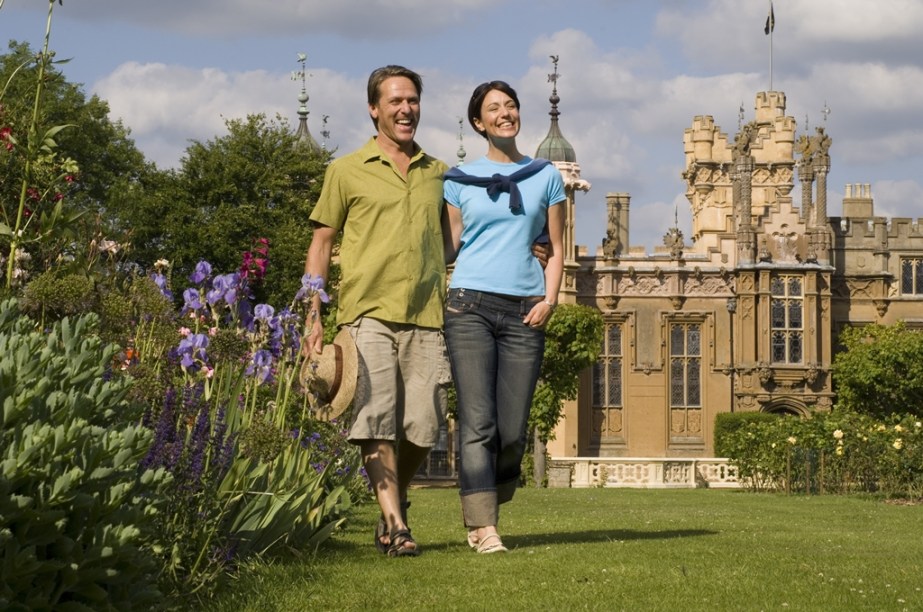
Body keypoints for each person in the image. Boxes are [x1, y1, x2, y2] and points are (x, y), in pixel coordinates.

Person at [303, 65, 450, 558]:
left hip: (427, 313)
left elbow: (454, 242)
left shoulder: (438, 172)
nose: (406, 109)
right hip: (367, 314)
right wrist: (314, 312)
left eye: (412, 100)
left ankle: (396, 496)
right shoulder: (345, 170)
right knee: (376, 420)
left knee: (425, 428)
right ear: (374, 109)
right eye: (395, 101)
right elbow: (322, 242)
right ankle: (395, 524)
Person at [442, 80, 566, 554]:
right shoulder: (457, 180)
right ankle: (482, 525)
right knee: (479, 422)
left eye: (510, 105)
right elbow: (449, 246)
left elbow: (554, 247)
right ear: (479, 122)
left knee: (512, 430)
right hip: (468, 304)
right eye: (493, 108)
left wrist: (549, 300)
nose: (504, 113)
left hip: (523, 311)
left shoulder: (545, 175)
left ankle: (492, 490)